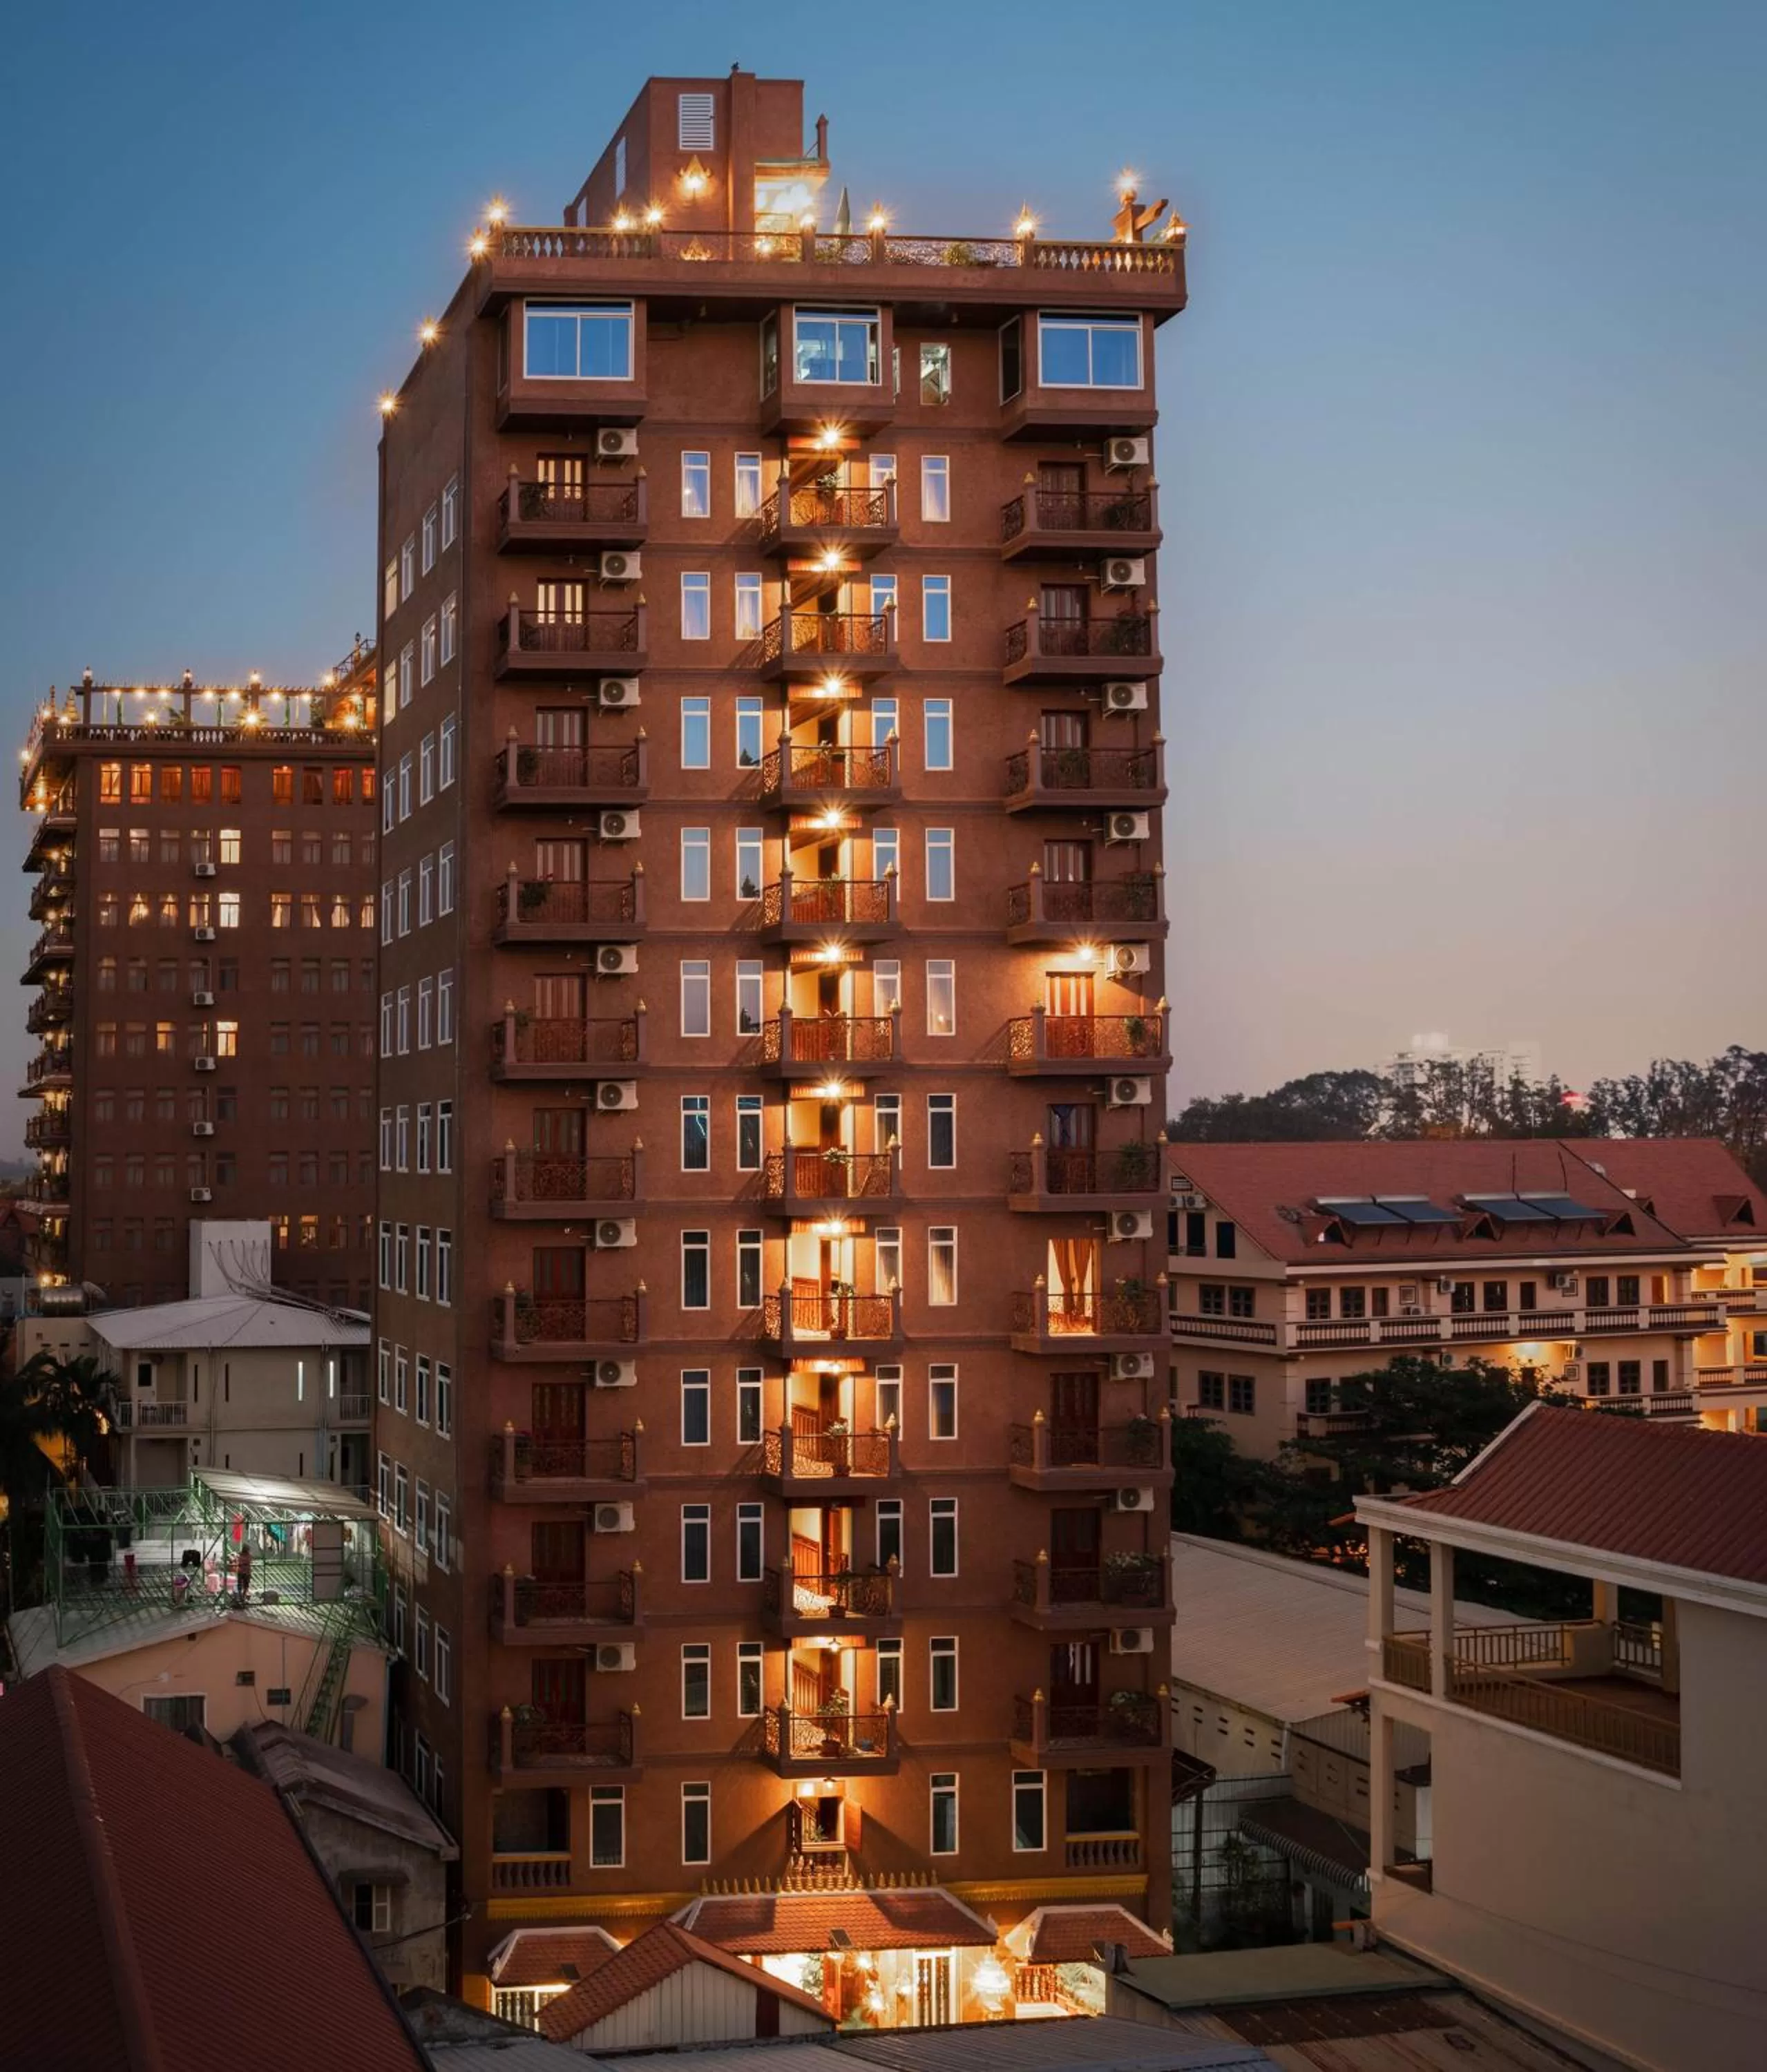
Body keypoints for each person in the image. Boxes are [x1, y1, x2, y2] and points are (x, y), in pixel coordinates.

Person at [235, 1540, 252, 1604]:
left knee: (242, 1585)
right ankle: (243, 1597)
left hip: (242, 1571)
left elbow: (239, 1561)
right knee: (245, 1586)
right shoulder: (248, 1556)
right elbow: (249, 1561)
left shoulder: (240, 1555)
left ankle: (241, 1597)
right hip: (246, 1572)